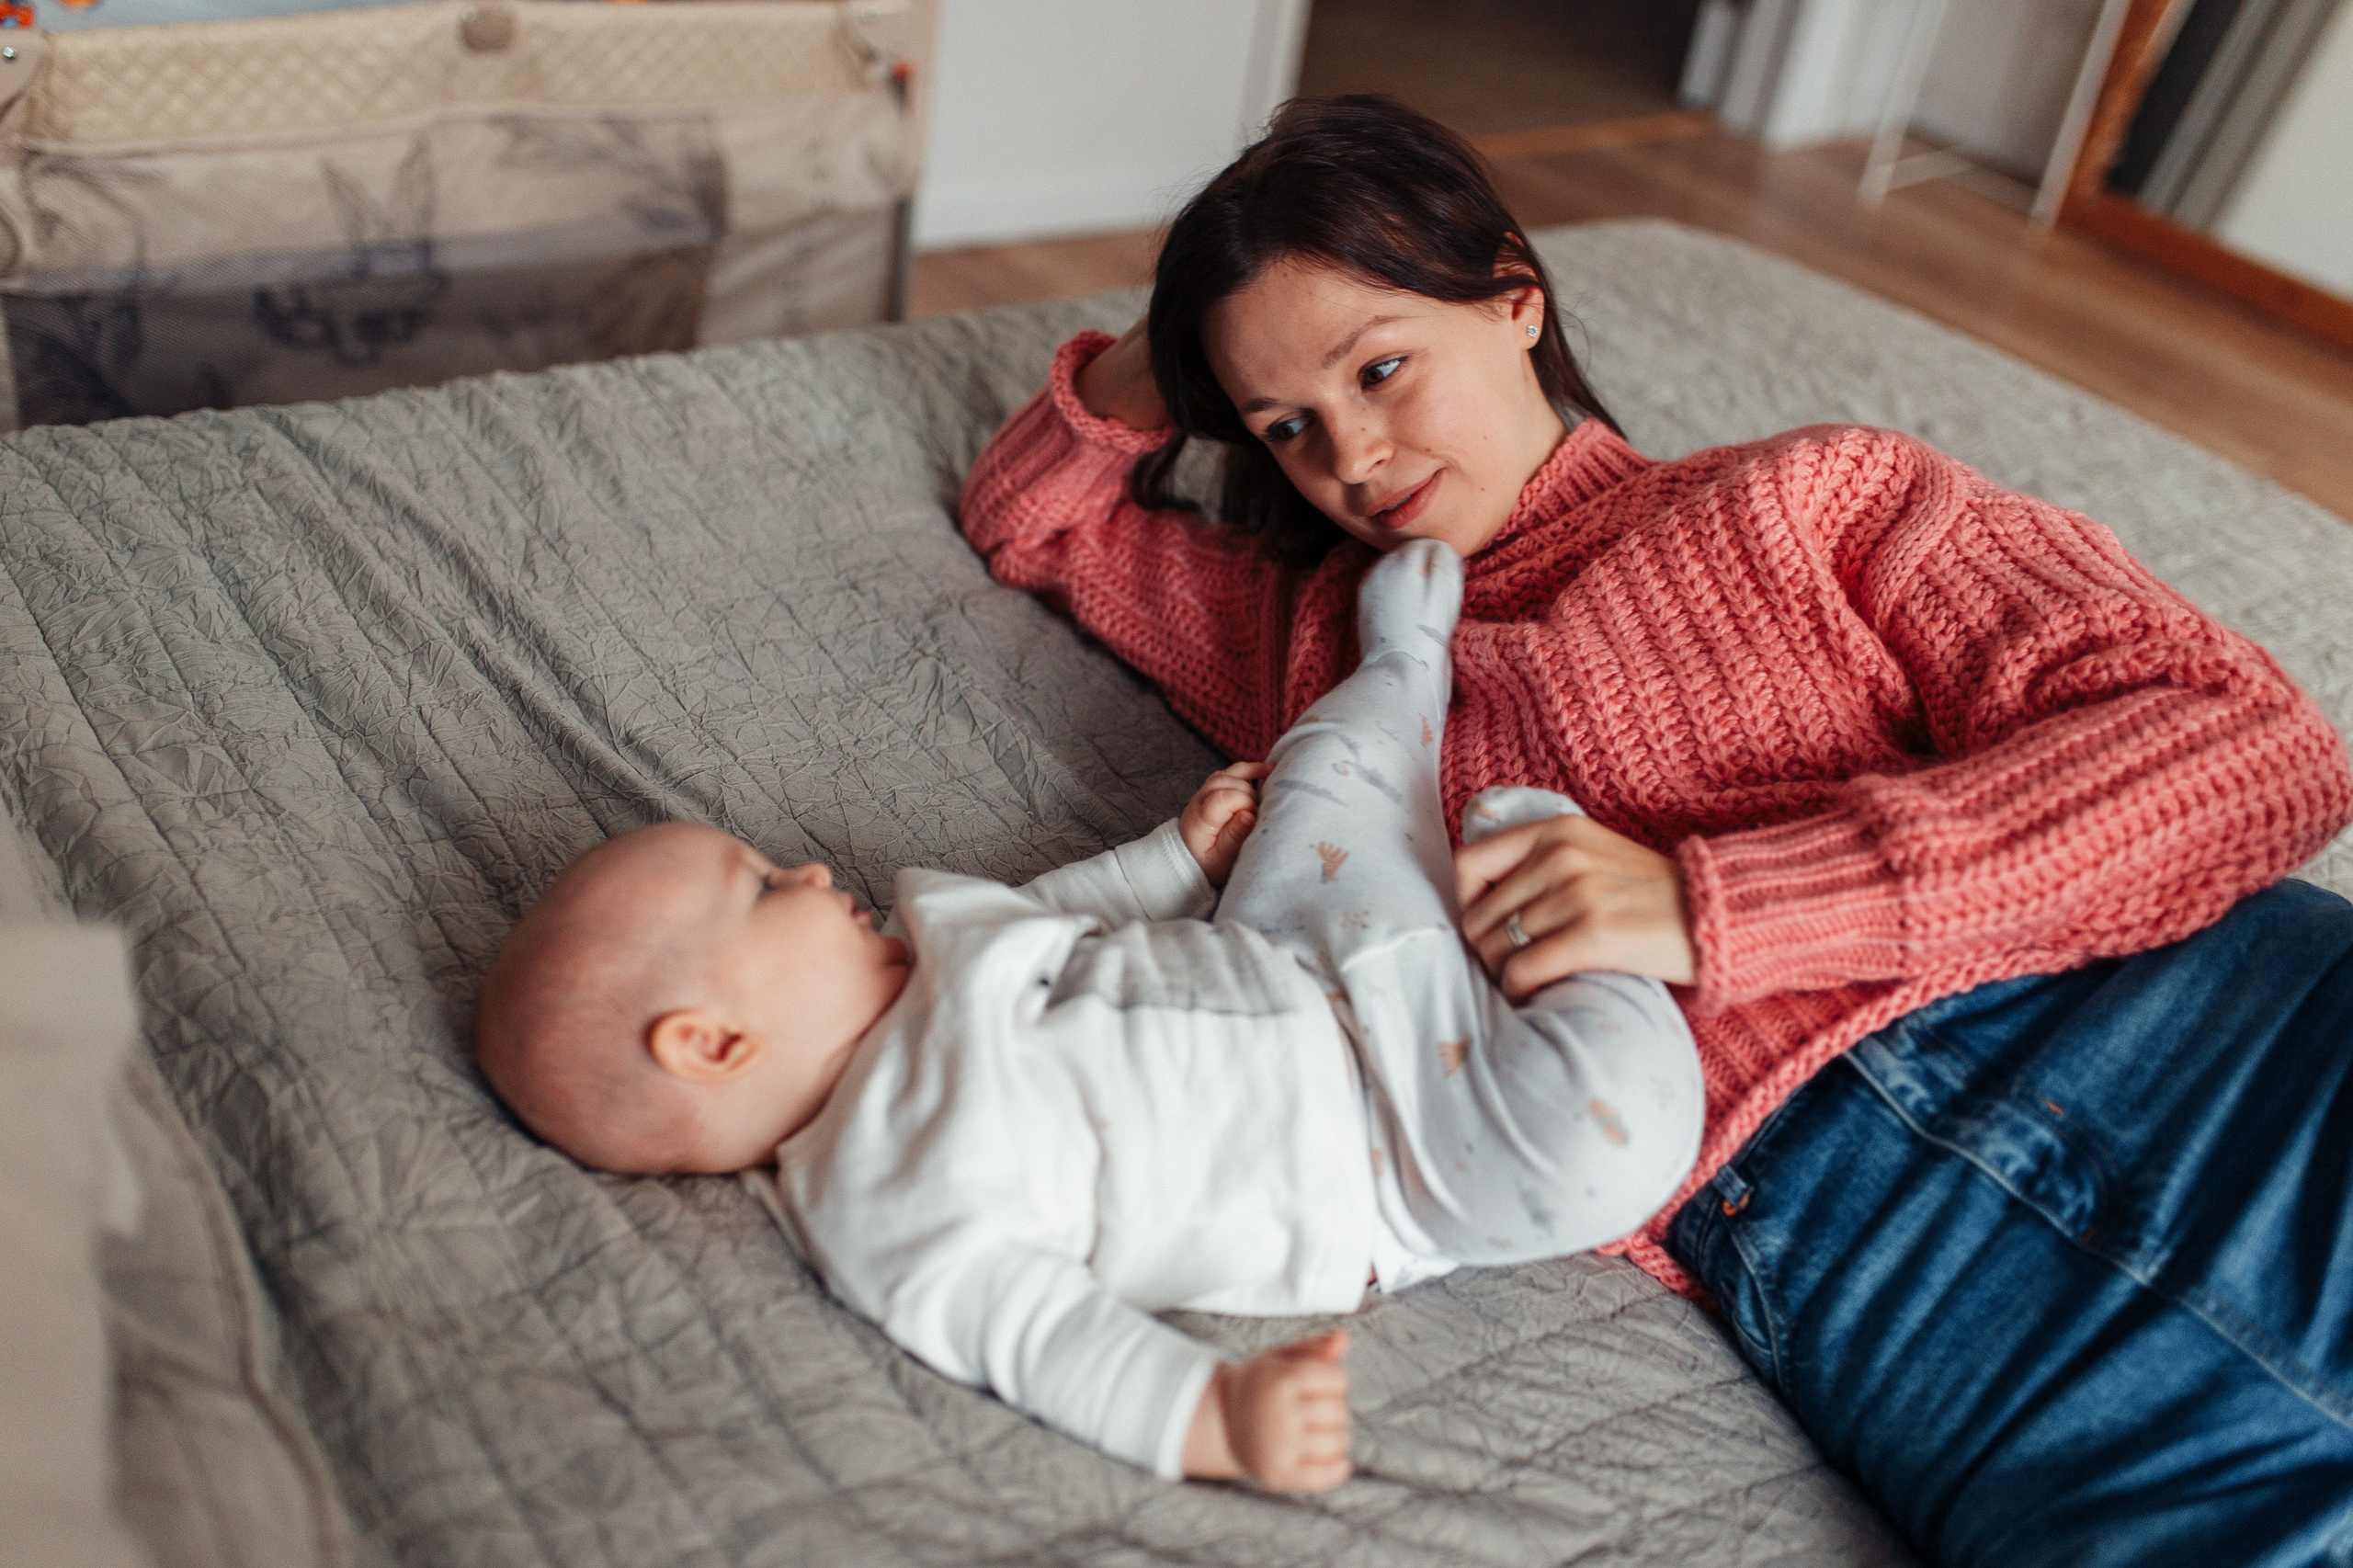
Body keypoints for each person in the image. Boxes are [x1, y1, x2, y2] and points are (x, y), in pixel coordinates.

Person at [954, 93, 2353, 1566]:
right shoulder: (1320, 655)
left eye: (1380, 366)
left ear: (1513, 296)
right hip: (1887, 1256)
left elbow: (2250, 746)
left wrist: (1716, 899)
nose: (1353, 458)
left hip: (2208, 1039)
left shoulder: (1813, 495)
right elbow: (1032, 520)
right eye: (1287, 426)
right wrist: (1196, 344)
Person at [473, 539, 1704, 1494]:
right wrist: (1209, 1417)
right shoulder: (883, 1188)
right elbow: (1037, 1332)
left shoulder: (928, 944)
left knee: (1317, 782)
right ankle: (1544, 907)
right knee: (1611, 1143)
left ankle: (1405, 664)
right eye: (758, 885)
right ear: (712, 1042)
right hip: (1398, 1158)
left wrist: (1179, 849)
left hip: (1294, 949)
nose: (800, 871)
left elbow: (1064, 911)